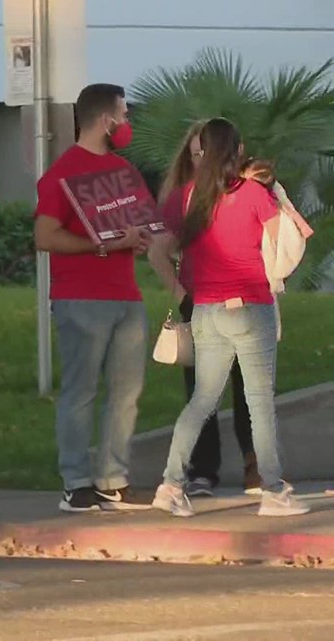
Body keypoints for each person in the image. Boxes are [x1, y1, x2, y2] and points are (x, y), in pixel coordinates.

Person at [151, 117, 309, 518]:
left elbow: (158, 250)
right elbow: (283, 245)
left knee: (201, 400)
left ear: (201, 151)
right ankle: (273, 491)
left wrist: (180, 290)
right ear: (237, 152)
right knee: (258, 402)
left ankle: (170, 486)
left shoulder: (184, 197)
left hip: (205, 310)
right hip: (250, 306)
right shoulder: (254, 194)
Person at [33, 83, 153, 512]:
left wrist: (136, 240)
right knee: (81, 391)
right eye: (124, 115)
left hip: (127, 296)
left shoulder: (125, 173)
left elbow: (140, 227)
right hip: (80, 297)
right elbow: (44, 236)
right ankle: (76, 482)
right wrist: (100, 245)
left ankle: (112, 479)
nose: (127, 124)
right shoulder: (62, 173)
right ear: (106, 120)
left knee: (126, 393)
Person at [150, 120, 258, 497]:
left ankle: (254, 462)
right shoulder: (184, 197)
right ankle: (200, 470)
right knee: (202, 391)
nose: (202, 161)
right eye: (196, 154)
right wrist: (181, 294)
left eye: (206, 153)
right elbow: (158, 250)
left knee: (251, 388)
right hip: (200, 302)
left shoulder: (248, 193)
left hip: (245, 301)